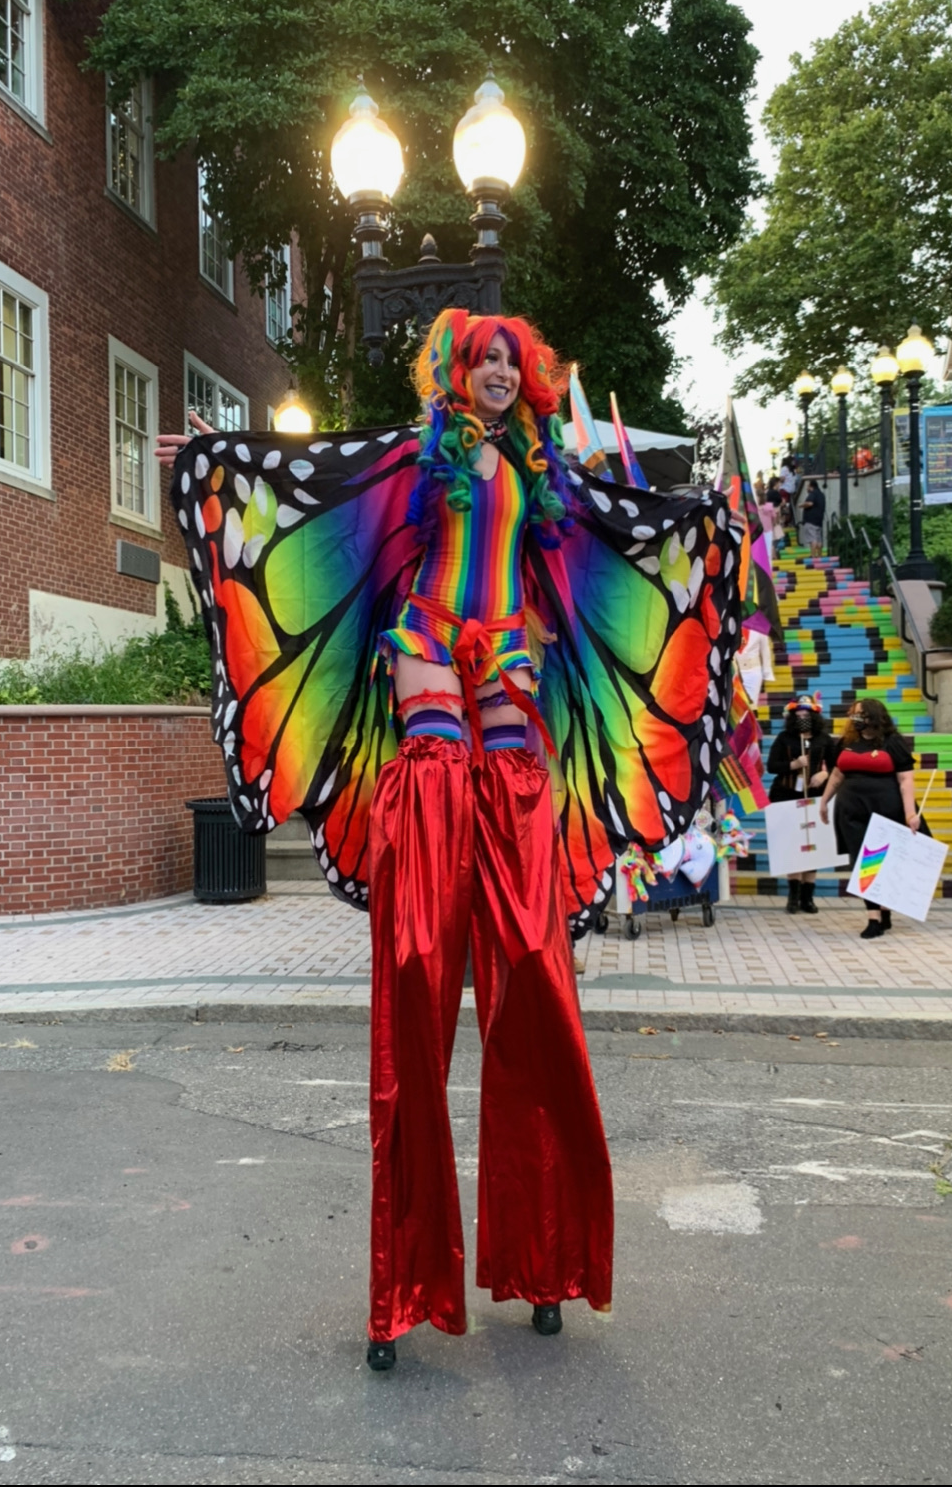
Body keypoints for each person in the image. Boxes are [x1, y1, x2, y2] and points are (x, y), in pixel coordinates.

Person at [156, 310, 742, 1371]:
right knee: (420, 968)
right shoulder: (419, 453)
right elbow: (315, 486)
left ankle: (544, 1257)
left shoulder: (547, 470)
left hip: (512, 676)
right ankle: (403, 1286)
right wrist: (213, 457)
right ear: (459, 372)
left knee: (530, 970)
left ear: (532, 378)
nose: (502, 377)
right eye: (486, 363)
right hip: (426, 660)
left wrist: (715, 521)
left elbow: (625, 530)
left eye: (516, 364)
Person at [818, 697, 929, 939]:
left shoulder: (893, 742)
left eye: (862, 714)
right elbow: (837, 774)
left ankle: (884, 910)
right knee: (863, 863)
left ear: (875, 717)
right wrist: (825, 801)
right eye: (854, 714)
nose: (856, 719)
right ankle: (873, 916)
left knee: (882, 861)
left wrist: (910, 812)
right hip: (851, 809)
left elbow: (905, 780)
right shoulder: (846, 742)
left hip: (886, 807)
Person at [766, 694, 839, 914]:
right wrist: (793, 764)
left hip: (816, 797)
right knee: (792, 845)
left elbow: (837, 767)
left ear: (814, 715)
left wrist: (824, 774)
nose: (802, 718)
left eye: (806, 714)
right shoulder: (784, 738)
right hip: (786, 796)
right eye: (798, 715)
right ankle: (793, 896)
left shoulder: (824, 739)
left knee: (812, 845)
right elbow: (771, 766)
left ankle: (808, 897)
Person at [735, 626, 774, 708]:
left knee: (750, 706)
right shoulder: (731, 623)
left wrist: (766, 674)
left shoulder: (760, 625)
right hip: (734, 671)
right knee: (736, 707)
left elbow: (765, 650)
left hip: (752, 672)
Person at [798, 478, 826, 553]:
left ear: (811, 486)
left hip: (810, 520)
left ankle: (813, 557)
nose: (807, 488)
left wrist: (801, 505)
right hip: (819, 520)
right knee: (819, 539)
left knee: (812, 539)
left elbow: (810, 503)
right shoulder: (821, 495)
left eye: (807, 486)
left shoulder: (812, 494)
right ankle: (819, 557)